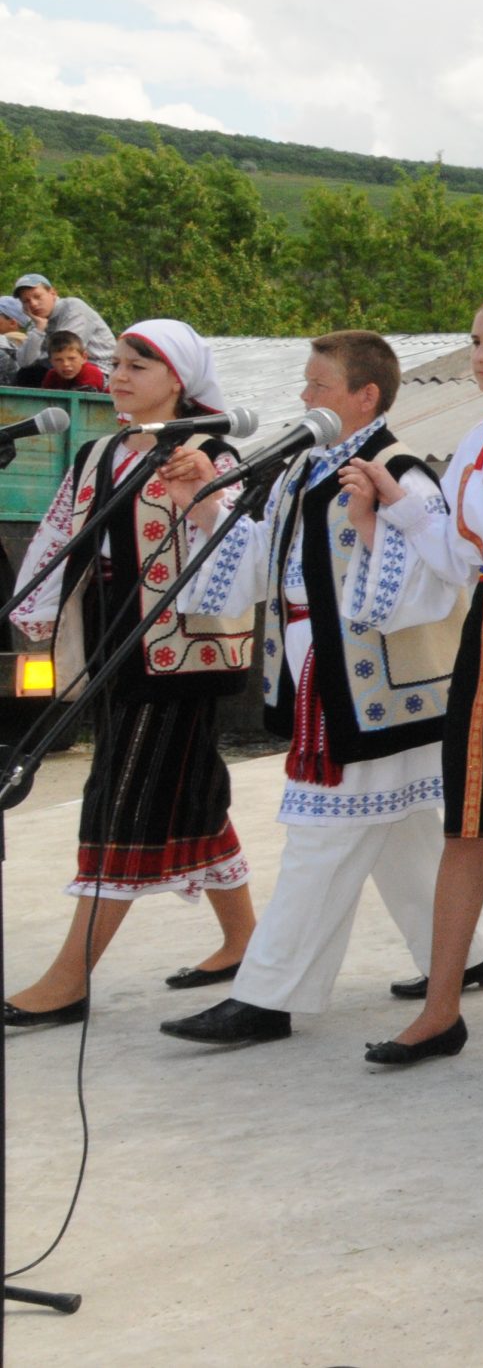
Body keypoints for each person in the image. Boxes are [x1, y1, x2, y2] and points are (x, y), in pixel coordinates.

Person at [158, 332, 483, 1046]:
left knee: (324, 831)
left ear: (365, 396)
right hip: (322, 665)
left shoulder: (399, 470)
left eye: (319, 385)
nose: (304, 396)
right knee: (398, 827)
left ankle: (268, 994)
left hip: (367, 685)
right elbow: (264, 558)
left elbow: (433, 583)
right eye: (306, 383)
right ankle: (474, 954)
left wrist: (375, 523)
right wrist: (202, 505)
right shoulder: (302, 470)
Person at [335, 288, 483, 1066]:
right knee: (465, 824)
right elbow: (454, 558)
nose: (480, 355)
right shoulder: (477, 437)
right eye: (476, 341)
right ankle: (441, 1008)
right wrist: (390, 506)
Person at [3, 322, 258, 1027]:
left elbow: (238, 548)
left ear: (178, 379)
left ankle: (68, 978)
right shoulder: (100, 452)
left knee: (120, 797)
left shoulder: (211, 453)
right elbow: (61, 534)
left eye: (137, 365)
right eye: (115, 363)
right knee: (193, 792)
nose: (117, 376)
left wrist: (204, 497)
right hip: (115, 640)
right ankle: (245, 938)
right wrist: (36, 610)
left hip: (181, 654)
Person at [12, 275, 116, 376]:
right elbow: (24, 362)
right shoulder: (38, 322)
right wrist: (39, 330)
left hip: (102, 371)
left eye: (37, 297)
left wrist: (37, 357)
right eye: (26, 301)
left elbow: (65, 352)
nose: (33, 304)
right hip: (65, 372)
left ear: (53, 293)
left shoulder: (73, 308)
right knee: (27, 374)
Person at [34, 330, 110, 394]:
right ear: (51, 362)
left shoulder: (91, 372)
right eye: (58, 360)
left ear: (84, 357)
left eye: (72, 358)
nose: (65, 364)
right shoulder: (52, 376)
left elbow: (84, 402)